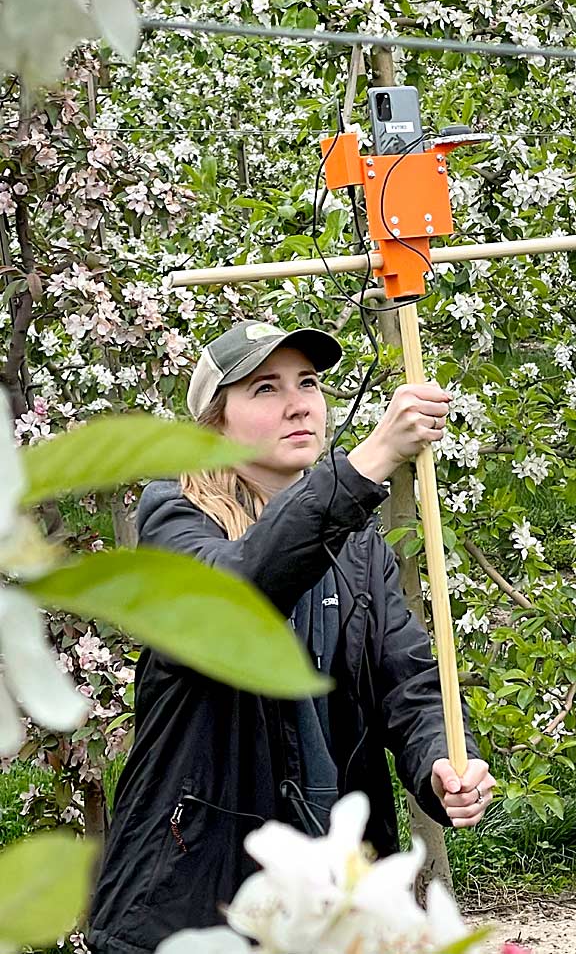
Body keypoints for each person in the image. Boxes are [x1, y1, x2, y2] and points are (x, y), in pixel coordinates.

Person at [88, 319, 493, 954]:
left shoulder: (358, 546)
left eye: (307, 382)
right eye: (265, 389)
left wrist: (441, 758)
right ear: (215, 425)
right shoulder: (172, 519)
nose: (299, 402)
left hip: (330, 891)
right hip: (194, 883)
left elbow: (409, 680)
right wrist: (369, 463)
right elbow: (238, 594)